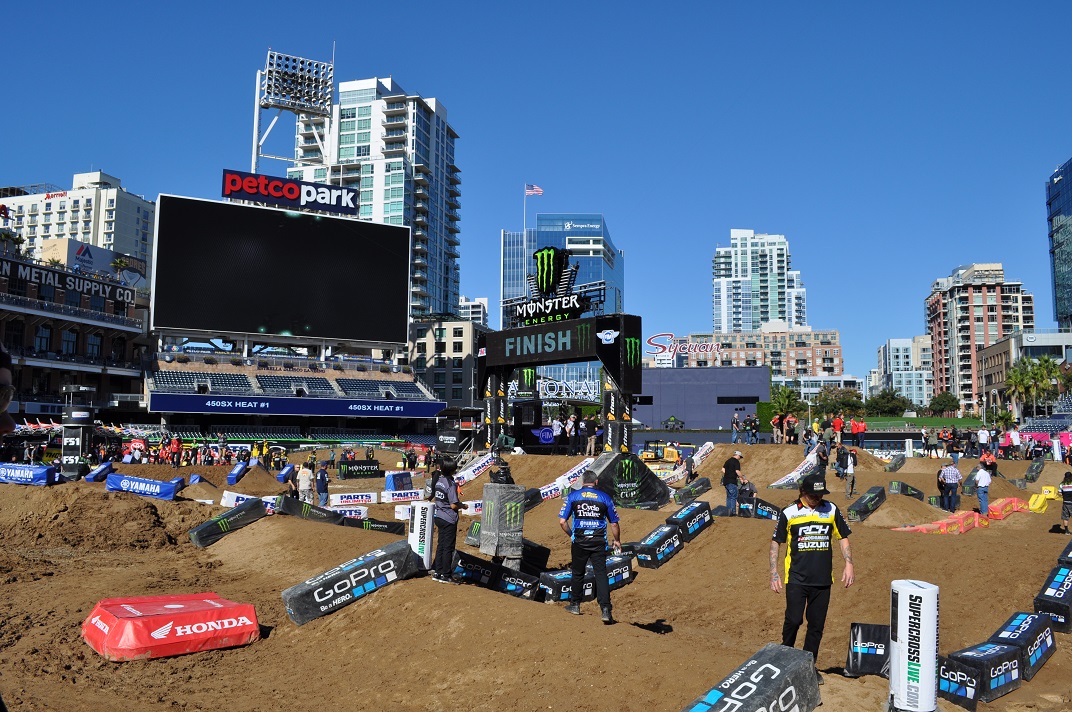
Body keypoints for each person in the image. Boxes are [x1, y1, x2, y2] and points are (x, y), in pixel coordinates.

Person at [769, 472, 855, 685]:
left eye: (820, 494)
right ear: (803, 492)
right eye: (813, 495)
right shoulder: (789, 512)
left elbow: (842, 538)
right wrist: (773, 573)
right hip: (796, 578)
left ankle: (809, 665)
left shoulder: (831, 509)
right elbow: (775, 542)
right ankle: (784, 655)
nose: (817, 499)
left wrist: (849, 563)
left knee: (816, 626)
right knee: (794, 619)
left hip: (823, 579)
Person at [559, 470, 621, 623]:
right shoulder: (605, 498)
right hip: (599, 541)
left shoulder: (572, 497)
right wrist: (617, 540)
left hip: (579, 541)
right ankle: (605, 610)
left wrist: (572, 535)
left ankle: (575, 605)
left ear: (582, 482)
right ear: (596, 482)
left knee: (577, 572)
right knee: (600, 574)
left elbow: (562, 522)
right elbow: (614, 523)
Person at [431, 458, 466, 583]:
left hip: (439, 515)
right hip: (449, 518)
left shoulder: (439, 481)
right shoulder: (450, 485)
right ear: (452, 470)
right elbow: (453, 505)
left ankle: (438, 572)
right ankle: (446, 575)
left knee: (441, 545)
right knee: (448, 547)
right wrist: (462, 505)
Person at [721, 450, 747, 516]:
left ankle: (728, 512)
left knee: (729, 497)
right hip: (732, 481)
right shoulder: (736, 461)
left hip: (726, 481)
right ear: (738, 455)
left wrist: (728, 474)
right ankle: (732, 512)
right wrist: (742, 478)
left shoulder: (728, 461)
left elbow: (723, 469)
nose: (740, 458)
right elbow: (737, 471)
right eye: (740, 457)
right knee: (733, 497)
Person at [1059, 471, 1072, 535]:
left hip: (1065, 502)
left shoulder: (1062, 484)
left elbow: (1060, 493)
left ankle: (1066, 531)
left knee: (1065, 517)